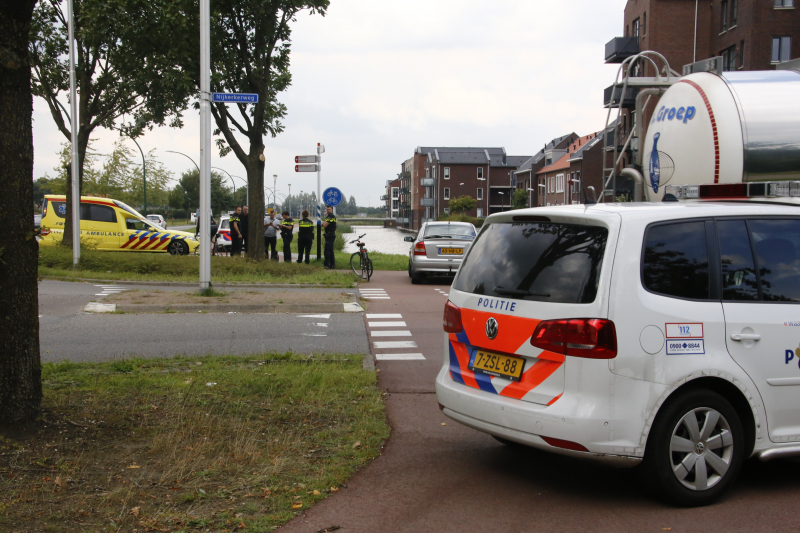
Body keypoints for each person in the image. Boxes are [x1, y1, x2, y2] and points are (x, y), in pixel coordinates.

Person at [322, 205, 337, 269]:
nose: (328, 210)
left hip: (330, 235)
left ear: (332, 210)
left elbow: (324, 225)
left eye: (329, 209)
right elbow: (324, 224)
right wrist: (323, 223)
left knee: (327, 251)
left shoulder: (331, 217)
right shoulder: (328, 217)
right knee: (330, 250)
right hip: (329, 235)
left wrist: (323, 223)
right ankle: (332, 264)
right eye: (327, 209)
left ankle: (326, 265)